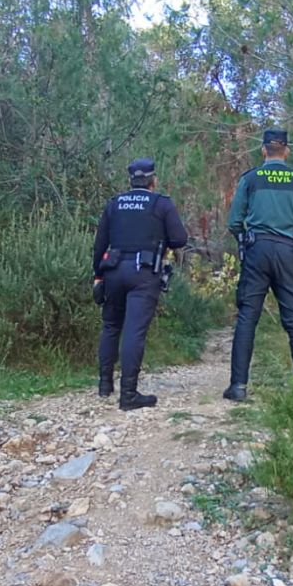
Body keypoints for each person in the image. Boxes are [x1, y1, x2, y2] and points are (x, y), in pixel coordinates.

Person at [223, 128, 293, 401]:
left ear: (264, 150)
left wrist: (245, 239)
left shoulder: (251, 179)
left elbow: (233, 222)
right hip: (290, 253)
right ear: (286, 151)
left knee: (247, 318)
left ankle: (238, 386)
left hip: (257, 250)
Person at [93, 158, 188, 411]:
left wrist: (97, 276)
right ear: (153, 180)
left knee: (111, 325)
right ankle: (128, 395)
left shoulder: (114, 204)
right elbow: (180, 239)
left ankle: (104, 385)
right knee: (134, 331)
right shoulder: (161, 203)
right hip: (143, 274)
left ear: (130, 180)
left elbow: (99, 244)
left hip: (112, 270)